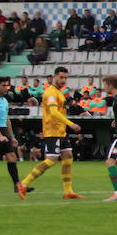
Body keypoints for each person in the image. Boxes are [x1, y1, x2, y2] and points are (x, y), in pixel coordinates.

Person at [17, 66, 83, 200]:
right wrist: (71, 124)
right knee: (52, 160)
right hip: (52, 131)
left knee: (68, 156)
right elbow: (53, 112)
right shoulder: (51, 93)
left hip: (61, 131)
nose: (63, 80)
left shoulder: (59, 92)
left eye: (65, 78)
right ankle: (23, 184)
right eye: (61, 77)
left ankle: (68, 191)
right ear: (54, 77)